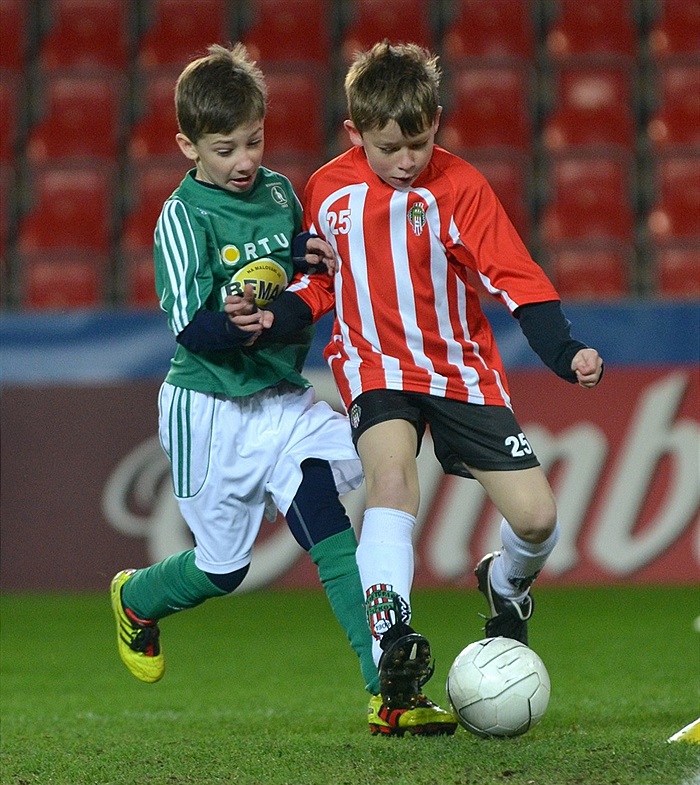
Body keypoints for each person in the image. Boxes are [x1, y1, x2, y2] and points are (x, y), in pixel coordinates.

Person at [231, 41, 604, 713]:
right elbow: (320, 283)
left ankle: (506, 584)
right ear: (355, 133)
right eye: (388, 148)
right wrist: (277, 314)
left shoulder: (461, 187)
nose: (405, 160)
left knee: (538, 519)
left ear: (436, 121)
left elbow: (516, 278)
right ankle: (393, 646)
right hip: (373, 364)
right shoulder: (327, 191)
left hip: (459, 369)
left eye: (418, 143)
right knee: (392, 479)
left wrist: (565, 351)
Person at [110, 43, 457, 738]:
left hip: (281, 399)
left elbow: (298, 270)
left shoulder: (276, 193)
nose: (244, 160)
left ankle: (387, 691)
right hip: (209, 407)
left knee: (328, 521)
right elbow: (189, 326)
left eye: (254, 141)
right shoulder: (183, 217)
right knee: (223, 568)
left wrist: (304, 257)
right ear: (187, 147)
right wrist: (235, 324)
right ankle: (137, 598)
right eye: (225, 149)